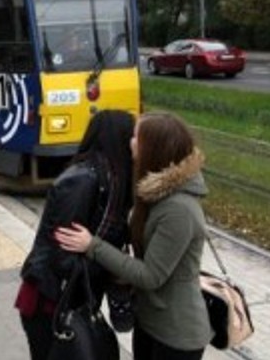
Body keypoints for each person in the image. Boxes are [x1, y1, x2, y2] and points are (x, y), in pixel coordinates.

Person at [55, 112, 212, 360]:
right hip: (150, 322)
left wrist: (92, 245)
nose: (130, 142)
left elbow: (150, 275)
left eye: (137, 137)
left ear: (155, 149)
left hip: (176, 335)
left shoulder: (178, 209)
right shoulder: (153, 192)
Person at [15, 110, 135, 359]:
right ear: (118, 138)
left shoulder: (113, 179)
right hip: (49, 299)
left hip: (72, 296)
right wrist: (104, 259)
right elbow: (61, 251)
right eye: (132, 135)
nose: (135, 143)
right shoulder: (81, 180)